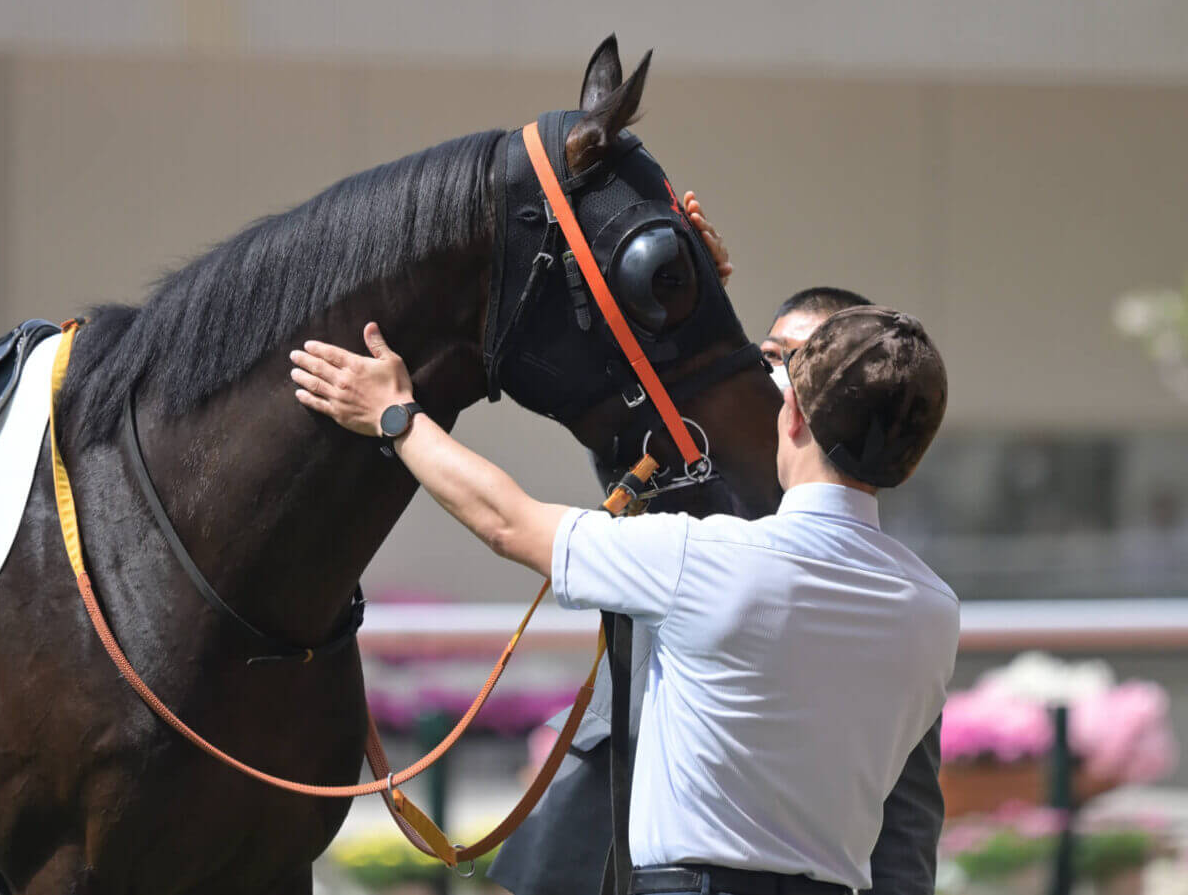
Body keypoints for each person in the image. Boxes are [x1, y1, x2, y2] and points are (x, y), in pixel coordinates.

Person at [289, 284, 956, 892]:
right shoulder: (935, 612)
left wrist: (394, 414)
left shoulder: (707, 558)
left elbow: (506, 521)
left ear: (792, 420)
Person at [487, 206, 945, 895]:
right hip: (599, 831)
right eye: (768, 358)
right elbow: (643, 431)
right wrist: (682, 309)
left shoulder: (885, 586)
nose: (778, 379)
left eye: (802, 365)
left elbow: (905, 804)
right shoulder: (715, 481)